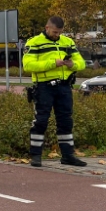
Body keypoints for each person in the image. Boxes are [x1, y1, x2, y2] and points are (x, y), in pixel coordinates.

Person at [22, 16, 86, 167]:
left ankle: (68, 155)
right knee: (41, 120)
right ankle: (36, 155)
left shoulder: (67, 42)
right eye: (55, 32)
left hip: (64, 87)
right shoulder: (34, 43)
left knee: (66, 121)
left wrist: (72, 65)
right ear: (47, 28)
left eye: (59, 33)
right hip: (44, 87)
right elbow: (28, 66)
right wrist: (52, 63)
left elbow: (81, 63)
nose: (57, 35)